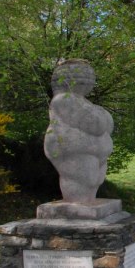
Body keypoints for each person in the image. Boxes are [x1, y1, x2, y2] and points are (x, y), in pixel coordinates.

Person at [44, 59, 113, 204]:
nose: (88, 79)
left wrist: (100, 117)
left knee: (93, 181)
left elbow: (108, 124)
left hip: (92, 152)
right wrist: (100, 116)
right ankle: (77, 206)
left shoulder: (84, 102)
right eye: (82, 74)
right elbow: (97, 125)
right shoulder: (63, 100)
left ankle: (85, 203)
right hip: (73, 152)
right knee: (82, 179)